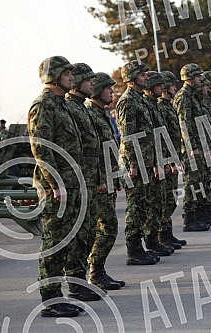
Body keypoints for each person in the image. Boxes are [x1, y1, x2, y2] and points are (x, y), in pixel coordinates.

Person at [28, 56, 83, 317]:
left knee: (65, 241)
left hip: (70, 183)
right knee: (54, 242)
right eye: (67, 74)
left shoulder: (61, 104)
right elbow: (41, 147)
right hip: (56, 186)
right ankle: (50, 300)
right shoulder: (43, 105)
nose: (72, 78)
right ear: (55, 76)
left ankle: (58, 296)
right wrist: (55, 183)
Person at [115, 60, 159, 265]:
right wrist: (132, 164)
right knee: (135, 205)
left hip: (146, 160)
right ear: (132, 78)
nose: (146, 77)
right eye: (143, 74)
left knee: (145, 204)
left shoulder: (139, 99)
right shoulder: (127, 101)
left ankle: (141, 246)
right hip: (136, 162)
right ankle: (133, 250)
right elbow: (128, 135)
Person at [86, 72, 125, 289]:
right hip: (99, 182)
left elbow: (110, 149)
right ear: (97, 90)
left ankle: (98, 271)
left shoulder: (102, 113)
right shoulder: (91, 114)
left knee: (107, 228)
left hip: (108, 179)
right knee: (106, 228)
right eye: (108, 88)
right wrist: (101, 179)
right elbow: (93, 152)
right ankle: (95, 272)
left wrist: (115, 177)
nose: (112, 91)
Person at [173, 63, 211, 232]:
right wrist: (191, 146)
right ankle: (189, 218)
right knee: (192, 182)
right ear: (189, 78)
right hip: (191, 148)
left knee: (200, 180)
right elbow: (184, 123)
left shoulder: (193, 95)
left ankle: (199, 213)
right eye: (197, 76)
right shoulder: (184, 96)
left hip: (199, 144)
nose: (200, 79)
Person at [142, 71, 176, 255]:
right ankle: (152, 241)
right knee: (154, 204)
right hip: (149, 162)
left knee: (164, 200)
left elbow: (165, 136)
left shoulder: (156, 105)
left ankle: (163, 236)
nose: (164, 88)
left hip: (161, 158)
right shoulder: (150, 105)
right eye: (160, 85)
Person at [157, 71, 188, 248]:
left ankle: (167, 234)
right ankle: (162, 237)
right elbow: (162, 138)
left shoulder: (168, 105)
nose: (175, 88)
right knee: (165, 200)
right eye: (172, 85)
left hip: (173, 155)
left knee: (171, 199)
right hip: (166, 159)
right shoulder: (161, 106)